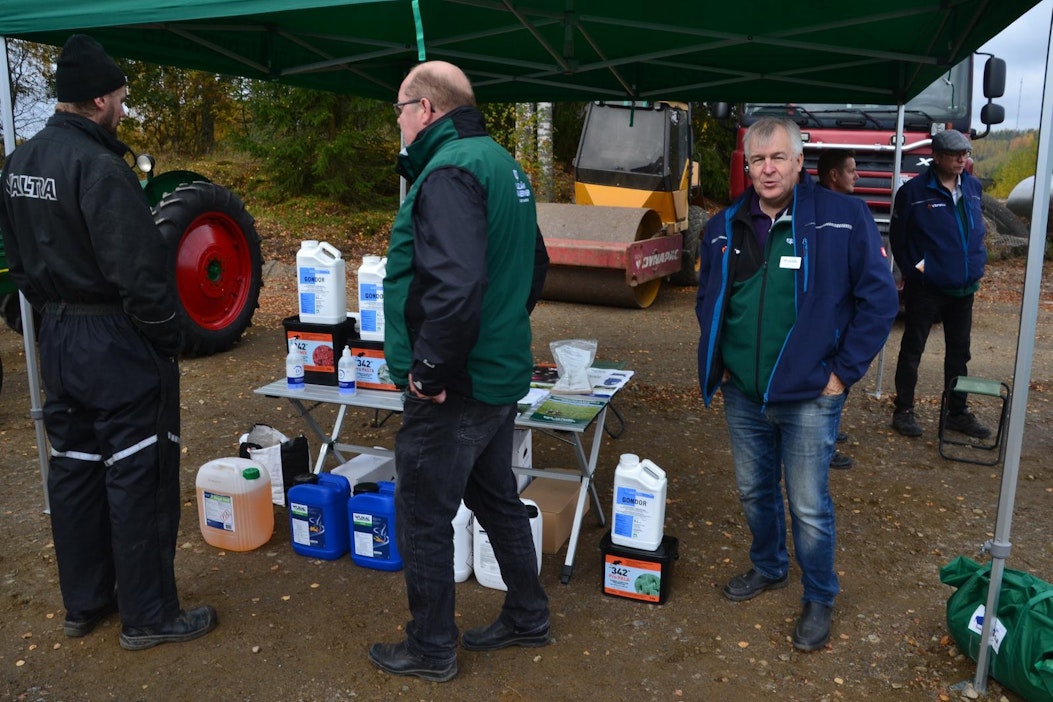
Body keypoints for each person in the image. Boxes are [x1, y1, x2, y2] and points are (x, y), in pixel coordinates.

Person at [0, 34, 217, 650]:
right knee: (137, 472)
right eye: (120, 97)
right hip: (111, 338)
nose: (123, 107)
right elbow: (140, 275)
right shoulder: (100, 168)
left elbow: (17, 264)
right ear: (98, 99)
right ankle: (149, 615)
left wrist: (39, 324)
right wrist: (168, 339)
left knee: (74, 468)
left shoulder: (20, 164)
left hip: (57, 338)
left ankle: (85, 601)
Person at [368, 60, 550, 683]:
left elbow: (456, 284)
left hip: (456, 381)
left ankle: (430, 646)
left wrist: (428, 369)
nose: (396, 120)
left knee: (422, 511)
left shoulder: (449, 172)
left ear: (426, 109)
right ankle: (528, 613)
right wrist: (502, 325)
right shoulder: (502, 163)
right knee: (495, 495)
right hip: (494, 372)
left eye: (398, 108)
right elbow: (535, 265)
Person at [695, 117, 898, 651]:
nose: (767, 169)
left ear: (798, 162)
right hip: (743, 391)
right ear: (748, 165)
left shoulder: (843, 217)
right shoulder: (722, 226)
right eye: (757, 159)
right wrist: (719, 359)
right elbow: (709, 298)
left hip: (811, 394)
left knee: (808, 504)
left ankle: (819, 596)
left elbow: (879, 303)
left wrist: (841, 374)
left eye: (778, 158)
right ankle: (768, 566)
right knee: (754, 490)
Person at [889, 129, 990, 439]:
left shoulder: (973, 187)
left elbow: (974, 230)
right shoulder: (914, 192)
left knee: (960, 353)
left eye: (965, 154)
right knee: (913, 348)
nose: (962, 159)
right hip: (927, 288)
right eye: (955, 155)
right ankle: (903, 410)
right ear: (936, 156)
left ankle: (956, 413)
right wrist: (917, 271)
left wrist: (976, 264)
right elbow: (899, 238)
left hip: (964, 289)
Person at [816, 148, 861, 470]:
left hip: (840, 309)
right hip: (832, 313)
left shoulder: (847, 209)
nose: (857, 176)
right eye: (851, 170)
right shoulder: (844, 211)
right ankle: (824, 445)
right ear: (834, 175)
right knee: (830, 381)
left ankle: (828, 432)